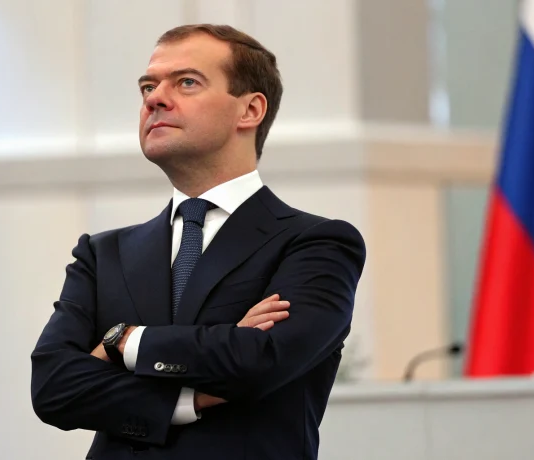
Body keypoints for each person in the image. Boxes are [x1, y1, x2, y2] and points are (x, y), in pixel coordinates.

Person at [31, 24, 366, 460]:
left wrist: (123, 341)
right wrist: (187, 399)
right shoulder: (102, 255)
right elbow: (54, 387)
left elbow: (261, 360)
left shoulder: (317, 243)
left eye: (186, 82)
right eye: (148, 86)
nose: (155, 99)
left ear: (250, 110)